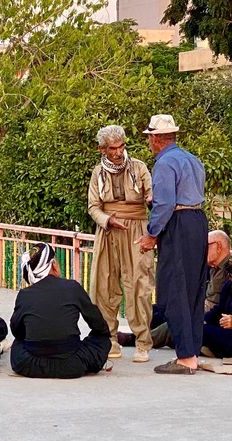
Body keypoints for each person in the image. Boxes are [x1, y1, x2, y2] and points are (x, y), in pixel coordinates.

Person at [136, 114, 208, 375]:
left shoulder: (165, 163)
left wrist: (152, 234)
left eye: (149, 138)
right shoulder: (192, 159)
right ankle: (193, 352)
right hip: (198, 220)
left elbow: (165, 203)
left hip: (178, 223)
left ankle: (185, 357)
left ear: (155, 139)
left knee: (175, 289)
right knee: (194, 290)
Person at [88, 125, 154, 363]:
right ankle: (110, 340)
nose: (118, 152)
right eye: (112, 148)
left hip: (136, 230)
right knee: (104, 286)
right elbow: (93, 206)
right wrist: (108, 220)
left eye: (121, 146)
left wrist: (150, 199)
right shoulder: (98, 173)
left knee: (139, 284)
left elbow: (151, 194)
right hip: (108, 232)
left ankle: (143, 342)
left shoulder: (139, 167)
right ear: (102, 149)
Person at [10, 243, 111, 379]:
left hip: (31, 365)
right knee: (103, 339)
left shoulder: (24, 294)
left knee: (18, 343)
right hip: (71, 365)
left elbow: (17, 331)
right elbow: (98, 324)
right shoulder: (72, 287)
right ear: (53, 265)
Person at [118, 230, 231, 348]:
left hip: (211, 317)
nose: (201, 250)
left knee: (175, 323)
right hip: (197, 308)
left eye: (205, 246)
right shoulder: (211, 268)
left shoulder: (231, 271)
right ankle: (137, 333)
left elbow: (224, 306)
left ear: (218, 246)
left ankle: (134, 340)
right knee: (156, 310)